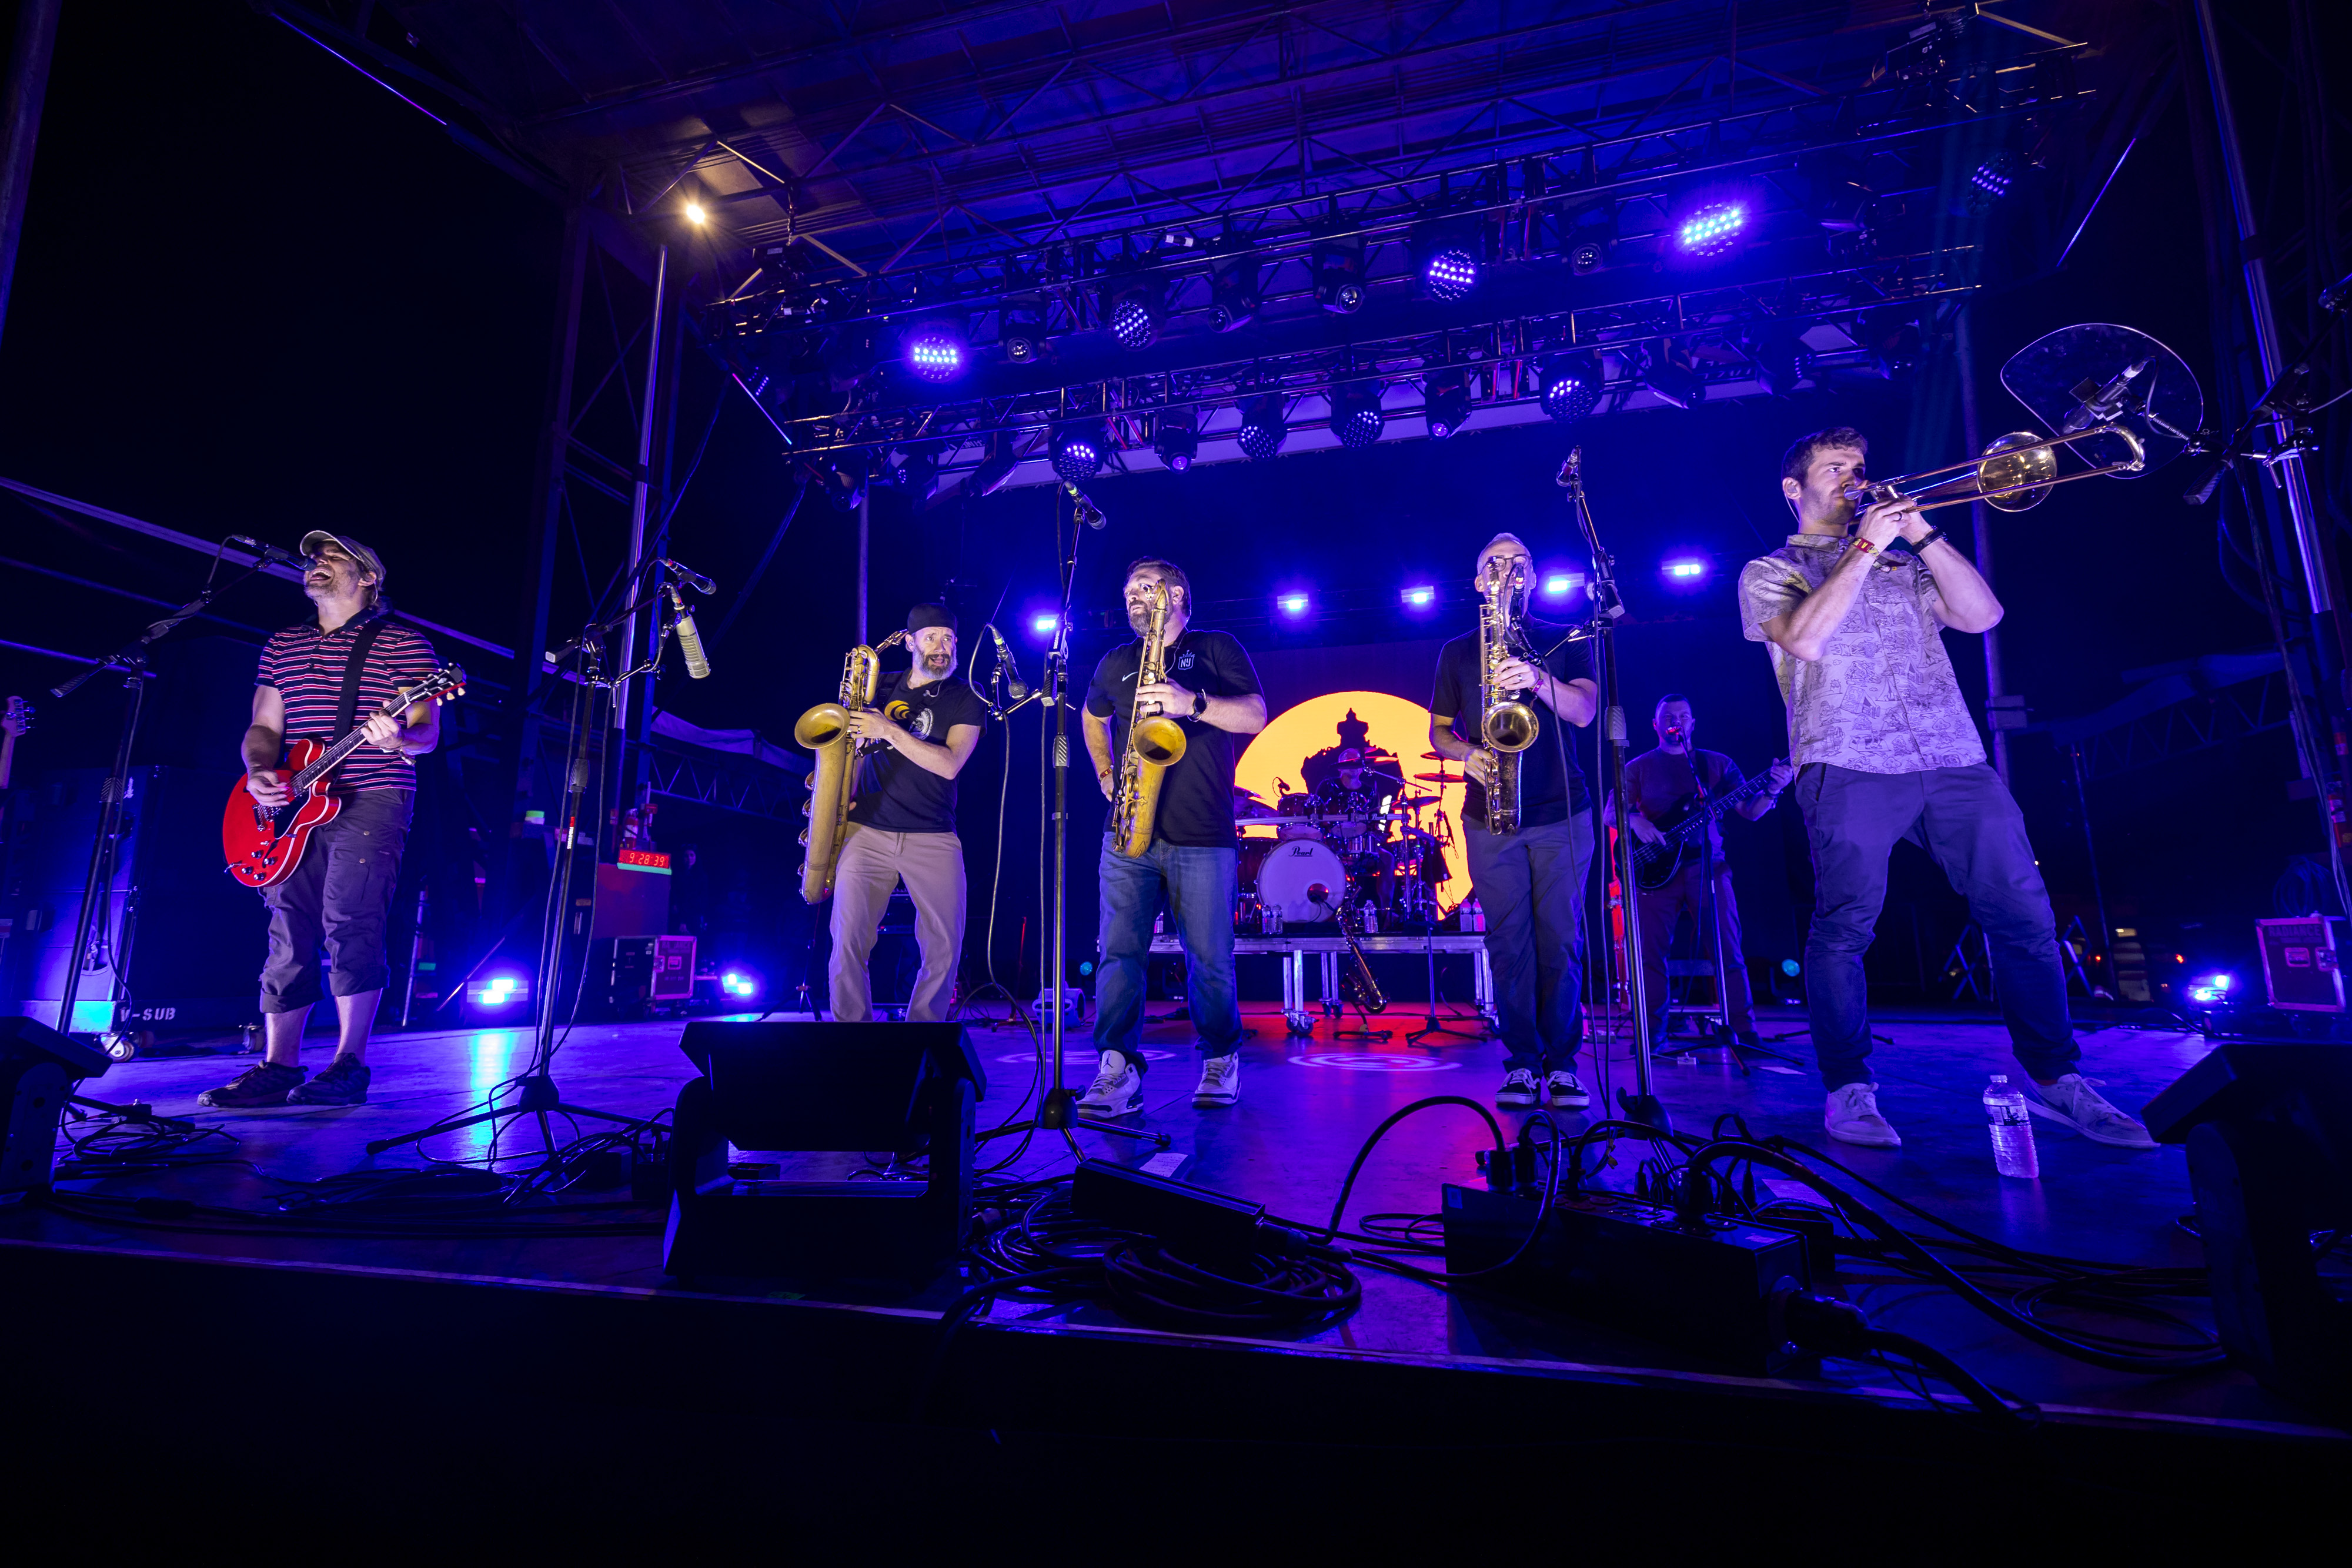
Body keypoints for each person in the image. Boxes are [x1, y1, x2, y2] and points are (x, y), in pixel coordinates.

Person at [1740, 426, 2153, 1150]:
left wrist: (1923, 534)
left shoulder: (1908, 565)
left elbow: (1982, 616)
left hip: (1951, 755)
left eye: (1858, 468)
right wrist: (1864, 549)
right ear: (1792, 488)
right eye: (1834, 469)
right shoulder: (1770, 568)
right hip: (1846, 759)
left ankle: (2055, 1078)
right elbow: (1803, 640)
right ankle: (1848, 1088)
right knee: (1845, 927)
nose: (1851, 478)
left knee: (2023, 914)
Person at [201, 532, 440, 1108]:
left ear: (368, 579)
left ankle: (348, 1063)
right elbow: (264, 728)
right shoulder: (283, 645)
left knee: (351, 920)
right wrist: (261, 769)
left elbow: (426, 733)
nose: (318, 563)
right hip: (294, 802)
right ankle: (278, 1065)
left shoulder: (404, 643)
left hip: (374, 792)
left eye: (334, 558)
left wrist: (397, 739)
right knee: (288, 929)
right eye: (315, 557)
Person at [1078, 559, 1267, 1112]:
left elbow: (1256, 714)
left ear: (1175, 593)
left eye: (1145, 586)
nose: (1133, 594)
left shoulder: (1215, 648)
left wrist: (1192, 703)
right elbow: (1092, 719)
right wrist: (1107, 775)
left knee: (1209, 958)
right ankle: (1117, 1068)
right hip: (1128, 833)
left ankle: (1219, 1057)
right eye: (1128, 587)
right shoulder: (1116, 661)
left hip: (1202, 834)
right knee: (1118, 954)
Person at [1428, 533, 1599, 1111]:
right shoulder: (1455, 651)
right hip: (1489, 813)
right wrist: (1464, 755)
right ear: (1478, 583)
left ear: (1532, 575)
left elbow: (1583, 711)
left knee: (1561, 939)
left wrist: (1537, 679)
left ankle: (1563, 1063)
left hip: (1562, 813)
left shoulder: (1565, 635)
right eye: (1494, 564)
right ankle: (1523, 1062)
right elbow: (1438, 732)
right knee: (1509, 942)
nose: (1506, 570)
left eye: (1518, 562)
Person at [1606, 694, 1792, 1050]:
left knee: (1727, 950)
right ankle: (1652, 1032)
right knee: (1649, 955)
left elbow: (1750, 812)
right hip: (1655, 871)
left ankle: (1744, 1030)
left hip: (1708, 868)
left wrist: (1772, 789)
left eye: (1685, 716)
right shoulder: (1639, 767)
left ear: (1694, 723)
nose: (1678, 720)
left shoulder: (1717, 765)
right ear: (1656, 725)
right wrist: (1634, 820)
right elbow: (1609, 813)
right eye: (1670, 716)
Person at [827, 604, 985, 1022]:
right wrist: (841, 789)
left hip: (933, 834)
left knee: (944, 944)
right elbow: (851, 747)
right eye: (932, 637)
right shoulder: (879, 688)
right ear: (911, 641)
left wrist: (889, 731)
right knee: (847, 940)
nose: (942, 647)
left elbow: (950, 763)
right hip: (868, 831)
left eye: (949, 639)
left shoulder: (967, 697)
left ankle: (923, 1036)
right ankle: (851, 1037)